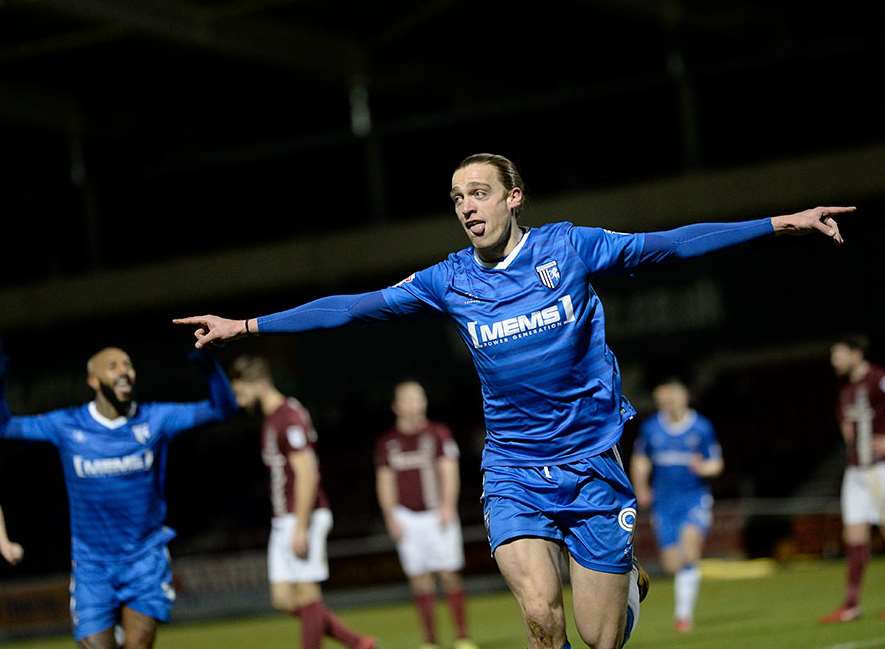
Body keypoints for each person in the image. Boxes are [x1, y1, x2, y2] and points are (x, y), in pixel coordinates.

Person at [175, 153, 853, 649]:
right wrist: (248, 325)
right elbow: (353, 307)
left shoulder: (571, 247)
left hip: (590, 463)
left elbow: (671, 245)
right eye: (455, 197)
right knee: (538, 614)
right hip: (514, 470)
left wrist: (776, 223)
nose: (466, 205)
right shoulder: (448, 279)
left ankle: (623, 591)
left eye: (478, 192)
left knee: (598, 638)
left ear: (513, 198)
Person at [0, 347, 236, 648]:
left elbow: (223, 410)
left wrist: (210, 366)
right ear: (93, 380)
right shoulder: (67, 425)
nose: (124, 371)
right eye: (112, 366)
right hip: (91, 566)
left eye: (128, 364)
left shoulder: (155, 419)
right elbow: (5, 427)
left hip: (145, 561)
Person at [228, 355, 376, 649]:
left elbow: (307, 473)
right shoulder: (272, 418)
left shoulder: (288, 416)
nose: (238, 399)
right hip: (285, 518)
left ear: (255, 383)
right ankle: (358, 643)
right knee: (282, 598)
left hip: (302, 515)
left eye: (239, 391)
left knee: (308, 595)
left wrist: (300, 526)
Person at [375, 380, 478, 649]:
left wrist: (447, 505)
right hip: (406, 516)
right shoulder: (388, 443)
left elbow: (449, 470)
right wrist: (390, 516)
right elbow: (384, 481)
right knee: (419, 579)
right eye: (407, 399)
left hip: (437, 513)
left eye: (418, 397)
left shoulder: (438, 434)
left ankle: (462, 637)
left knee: (449, 574)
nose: (414, 403)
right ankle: (430, 640)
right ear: (396, 406)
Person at [630, 379, 722, 632]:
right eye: (664, 401)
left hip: (694, 498)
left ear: (683, 398)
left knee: (690, 550)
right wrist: (641, 488)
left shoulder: (701, 427)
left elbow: (716, 463)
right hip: (664, 503)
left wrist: (703, 467)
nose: (668, 404)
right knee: (672, 563)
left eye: (671, 399)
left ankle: (683, 616)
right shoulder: (652, 429)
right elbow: (640, 460)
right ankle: (683, 607)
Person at [820, 335, 885, 623]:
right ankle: (851, 604)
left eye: (839, 354)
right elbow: (846, 426)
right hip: (856, 471)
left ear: (856, 354)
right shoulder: (846, 390)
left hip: (881, 467)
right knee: (854, 538)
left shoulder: (879, 378)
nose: (835, 360)